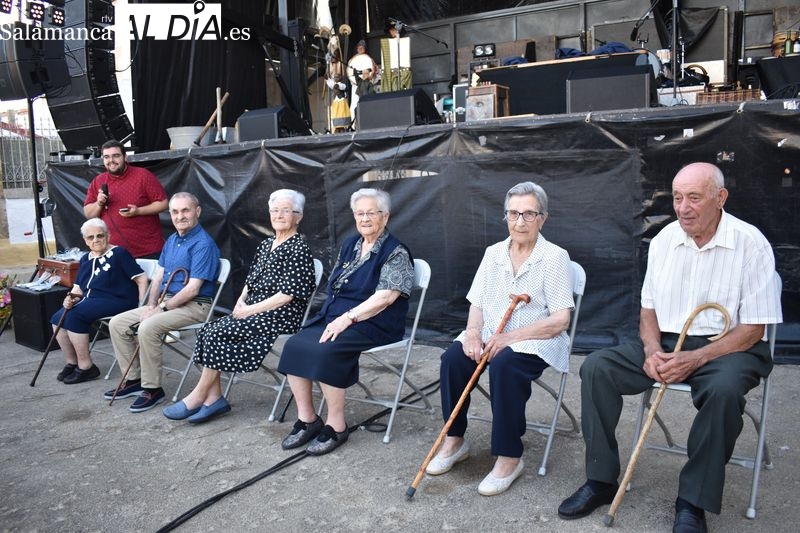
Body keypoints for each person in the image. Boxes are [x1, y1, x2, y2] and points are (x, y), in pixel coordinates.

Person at [558, 163, 782, 533]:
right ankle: (600, 479)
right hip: (664, 341)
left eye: (694, 197)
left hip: (729, 347)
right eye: (678, 198)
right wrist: (650, 352)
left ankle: (692, 501)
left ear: (720, 198)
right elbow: (648, 311)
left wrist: (695, 357)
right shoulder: (664, 240)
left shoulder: (750, 242)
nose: (683, 207)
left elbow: (754, 329)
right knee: (597, 367)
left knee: (724, 391)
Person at [426, 181, 574, 496]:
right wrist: (474, 334)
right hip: (493, 332)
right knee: (453, 358)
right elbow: (477, 303)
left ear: (542, 218)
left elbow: (561, 320)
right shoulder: (493, 253)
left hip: (536, 338)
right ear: (505, 217)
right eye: (513, 214)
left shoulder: (554, 256)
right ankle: (454, 440)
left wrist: (510, 338)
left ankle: (509, 456)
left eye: (529, 214)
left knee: (506, 365)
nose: (520, 221)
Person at [277, 188, 414, 455]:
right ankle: (308, 420)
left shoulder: (396, 251)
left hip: (376, 321)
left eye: (371, 213)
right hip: (336, 315)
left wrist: (347, 318)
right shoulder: (351, 244)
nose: (364, 219)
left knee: (327, 349)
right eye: (359, 213)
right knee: (295, 344)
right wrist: (336, 316)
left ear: (385, 217)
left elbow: (386, 297)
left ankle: (336, 426)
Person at [163, 189, 316, 423]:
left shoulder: (298, 248)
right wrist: (241, 300)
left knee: (218, 332)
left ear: (299, 216)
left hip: (281, 314)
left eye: (286, 211)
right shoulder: (266, 244)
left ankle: (199, 396)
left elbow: (287, 296)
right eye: (275, 210)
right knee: (207, 330)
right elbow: (250, 280)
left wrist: (249, 310)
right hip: (253, 308)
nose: (279, 215)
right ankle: (214, 399)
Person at [107, 192, 220, 413]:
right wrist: (151, 305)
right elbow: (158, 277)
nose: (180, 216)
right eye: (175, 212)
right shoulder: (172, 240)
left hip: (196, 305)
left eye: (185, 210)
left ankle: (153, 389)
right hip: (166, 302)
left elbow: (193, 288)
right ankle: (133, 381)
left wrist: (160, 309)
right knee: (117, 323)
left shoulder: (203, 244)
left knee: (148, 327)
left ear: (197, 211)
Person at [51, 218, 147, 384]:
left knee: (75, 316)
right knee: (57, 318)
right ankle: (72, 362)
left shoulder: (119, 254)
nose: (95, 240)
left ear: (108, 236)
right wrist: (70, 299)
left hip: (118, 300)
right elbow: (78, 288)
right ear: (85, 241)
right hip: (92, 301)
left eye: (99, 236)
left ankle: (86, 367)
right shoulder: (86, 259)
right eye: (91, 237)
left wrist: (142, 306)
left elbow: (141, 278)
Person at [84, 140, 168, 259]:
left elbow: (163, 203)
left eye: (116, 156)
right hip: (113, 253)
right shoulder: (98, 181)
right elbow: (88, 213)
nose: (111, 160)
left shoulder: (143, 175)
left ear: (125, 157)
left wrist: (138, 211)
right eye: (106, 157)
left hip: (147, 251)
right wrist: (99, 203)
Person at [347, 39, 378, 123]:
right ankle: (354, 123)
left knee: (368, 103)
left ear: (365, 48)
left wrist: (372, 75)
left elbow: (376, 73)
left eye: (362, 47)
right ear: (357, 49)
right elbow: (350, 75)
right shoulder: (352, 61)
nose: (360, 48)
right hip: (356, 87)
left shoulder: (369, 60)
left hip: (367, 86)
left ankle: (370, 121)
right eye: (359, 47)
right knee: (355, 103)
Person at [380, 20, 412, 92]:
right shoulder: (387, 43)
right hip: (390, 72)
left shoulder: (404, 43)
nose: (394, 31)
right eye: (392, 30)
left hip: (403, 72)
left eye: (395, 29)